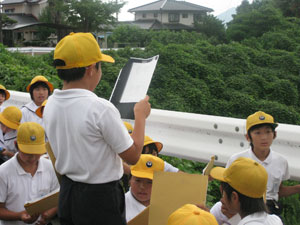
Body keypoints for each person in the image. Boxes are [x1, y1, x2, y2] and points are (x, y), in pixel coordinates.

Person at [43, 32, 151, 225]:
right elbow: (134, 156)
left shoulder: (51, 103)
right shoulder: (100, 108)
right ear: (91, 69)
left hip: (68, 192)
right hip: (100, 198)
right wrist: (140, 116)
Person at [211, 111, 300, 223]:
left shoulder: (281, 161)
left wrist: (297, 188)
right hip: (243, 204)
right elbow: (227, 188)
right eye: (257, 133)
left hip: (269, 207)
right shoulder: (237, 159)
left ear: (275, 134)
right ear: (248, 137)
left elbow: (278, 191)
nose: (264, 137)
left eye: (268, 132)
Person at [0, 122, 59, 225]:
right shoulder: (3, 172)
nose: (32, 157)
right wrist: (19, 216)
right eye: (27, 153)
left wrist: (47, 215)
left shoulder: (50, 167)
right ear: (16, 145)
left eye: (37, 152)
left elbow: (57, 198)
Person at [210, 157, 283, 225]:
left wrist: (206, 219)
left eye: (223, 193)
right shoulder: (275, 220)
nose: (222, 200)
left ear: (234, 197)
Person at [125, 154, 164, 222]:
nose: (142, 186)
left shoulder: (166, 206)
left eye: (150, 182)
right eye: (138, 180)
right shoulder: (118, 206)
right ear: (130, 181)